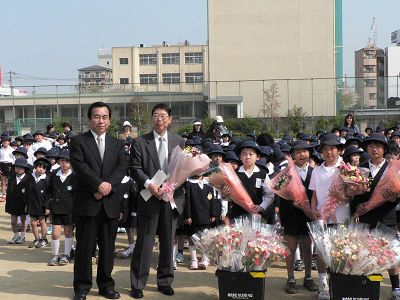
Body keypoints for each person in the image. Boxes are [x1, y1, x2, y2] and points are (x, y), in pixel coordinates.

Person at [70, 102, 128, 300]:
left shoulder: (118, 144)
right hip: (87, 203)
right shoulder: (78, 141)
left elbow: (121, 169)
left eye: (104, 117)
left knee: (108, 248)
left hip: (110, 204)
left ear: (109, 120)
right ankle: (81, 288)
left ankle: (106, 286)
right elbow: (80, 167)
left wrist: (106, 187)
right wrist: (97, 186)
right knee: (84, 249)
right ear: (89, 120)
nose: (100, 120)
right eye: (96, 116)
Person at [129, 103, 185, 298]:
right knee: (144, 242)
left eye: (163, 115)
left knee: (168, 242)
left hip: (171, 198)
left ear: (170, 119)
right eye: (155, 115)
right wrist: (149, 185)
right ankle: (138, 283)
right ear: (151, 118)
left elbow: (184, 169)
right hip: (149, 197)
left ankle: (165, 281)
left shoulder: (179, 141)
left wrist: (173, 186)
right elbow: (135, 168)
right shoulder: (140, 142)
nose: (159, 119)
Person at [351, 133, 400, 300]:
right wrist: (356, 207)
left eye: (378, 146)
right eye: (371, 146)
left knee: (389, 254)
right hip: (366, 218)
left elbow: (397, 193)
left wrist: (395, 198)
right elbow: (353, 194)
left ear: (384, 149)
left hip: (387, 217)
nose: (374, 149)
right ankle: (369, 288)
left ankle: (396, 287)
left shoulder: (392, 168)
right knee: (367, 254)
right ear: (366, 149)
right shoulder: (361, 169)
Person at [309, 133, 348, 300]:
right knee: (321, 251)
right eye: (325, 149)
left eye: (332, 149)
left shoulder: (346, 168)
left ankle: (340, 283)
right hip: (321, 217)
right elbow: (314, 195)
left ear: (339, 150)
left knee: (341, 251)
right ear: (321, 152)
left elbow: (352, 195)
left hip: (341, 217)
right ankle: (323, 284)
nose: (329, 152)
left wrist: (343, 198)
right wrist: (313, 211)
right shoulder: (316, 171)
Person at [279, 140, 317, 294]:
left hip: (309, 217)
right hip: (291, 216)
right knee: (291, 248)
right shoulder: (286, 173)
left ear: (309, 154)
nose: (302, 154)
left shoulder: (315, 172)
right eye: (298, 152)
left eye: (305, 151)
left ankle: (308, 277)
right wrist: (291, 204)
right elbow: (280, 196)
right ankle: (291, 278)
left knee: (307, 248)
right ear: (293, 155)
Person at [225, 140, 274, 220]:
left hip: (256, 214)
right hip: (237, 215)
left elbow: (269, 194)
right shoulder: (234, 174)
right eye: (244, 154)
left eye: (251, 154)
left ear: (257, 157)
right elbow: (228, 197)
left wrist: (262, 206)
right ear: (240, 157)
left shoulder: (262, 174)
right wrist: (225, 194)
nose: (247, 157)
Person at [47, 150, 76, 266]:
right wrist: (48, 206)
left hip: (70, 209)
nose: (64, 163)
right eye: (62, 160)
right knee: (55, 233)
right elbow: (49, 192)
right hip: (56, 208)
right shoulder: (54, 174)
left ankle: (67, 255)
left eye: (67, 161)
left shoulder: (75, 176)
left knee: (68, 232)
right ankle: (55, 255)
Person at [184, 174, 218, 270]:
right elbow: (187, 200)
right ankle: (194, 259)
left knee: (206, 239)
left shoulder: (208, 184)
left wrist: (213, 214)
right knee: (192, 238)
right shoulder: (189, 184)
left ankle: (205, 258)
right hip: (194, 216)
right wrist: (188, 215)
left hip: (206, 216)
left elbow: (213, 200)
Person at [26, 157, 51, 249]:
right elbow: (27, 192)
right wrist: (26, 204)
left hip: (42, 203)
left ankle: (44, 239)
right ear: (35, 167)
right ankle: (36, 238)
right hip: (32, 203)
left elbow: (48, 194)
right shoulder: (30, 177)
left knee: (42, 221)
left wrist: (47, 207)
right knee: (33, 223)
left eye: (44, 168)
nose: (41, 169)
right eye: (39, 167)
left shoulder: (47, 179)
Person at [5, 157, 30, 244]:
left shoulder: (28, 178)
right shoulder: (11, 178)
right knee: (13, 221)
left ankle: (22, 236)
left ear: (25, 169)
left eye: (21, 167)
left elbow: (29, 193)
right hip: (13, 202)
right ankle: (16, 235)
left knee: (23, 220)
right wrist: (7, 203)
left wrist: (28, 204)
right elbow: (9, 192)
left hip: (23, 202)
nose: (19, 169)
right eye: (17, 167)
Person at [0, 135, 14, 202]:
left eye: (6, 141)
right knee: (3, 181)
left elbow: (13, 159)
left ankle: (11, 194)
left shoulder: (11, 150)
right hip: (2, 165)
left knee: (10, 180)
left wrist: (12, 166)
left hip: (9, 165)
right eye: (3, 141)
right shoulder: (1, 150)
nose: (5, 142)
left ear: (9, 142)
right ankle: (4, 194)